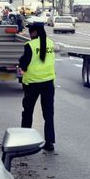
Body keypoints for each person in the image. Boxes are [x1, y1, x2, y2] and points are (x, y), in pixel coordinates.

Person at [19, 22, 56, 151]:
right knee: (48, 114)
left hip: (32, 84)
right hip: (48, 83)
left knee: (28, 113)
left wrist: (21, 67)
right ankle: (49, 142)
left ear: (34, 32)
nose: (29, 35)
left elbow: (24, 64)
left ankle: (25, 140)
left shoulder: (30, 45)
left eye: (30, 32)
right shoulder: (50, 43)